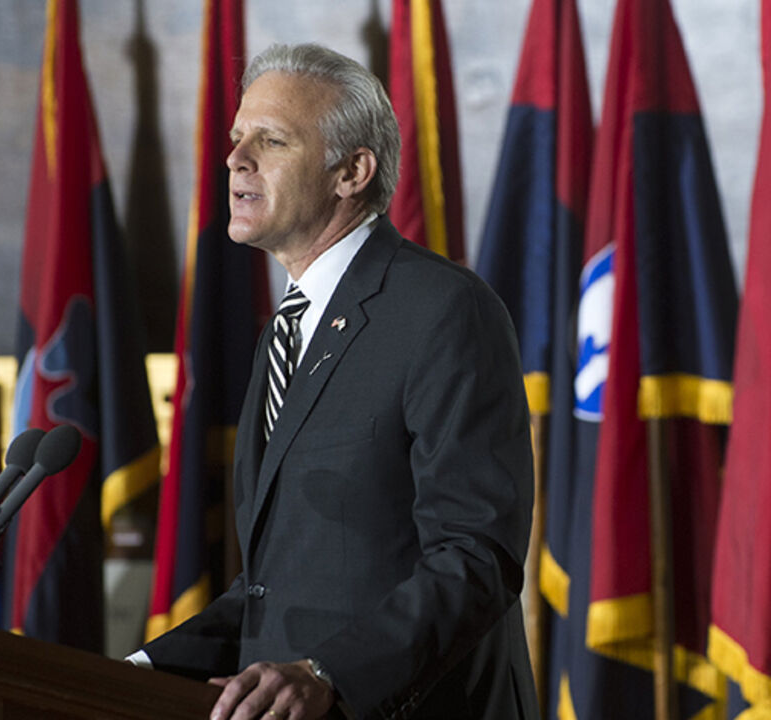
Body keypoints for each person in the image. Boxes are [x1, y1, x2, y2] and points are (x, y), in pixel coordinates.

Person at [133, 43, 538, 720]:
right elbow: (278, 585)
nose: (235, 159)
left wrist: (330, 673)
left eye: (271, 140)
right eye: (237, 139)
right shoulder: (288, 329)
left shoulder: (443, 310)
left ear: (352, 171)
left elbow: (476, 555)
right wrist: (140, 669)